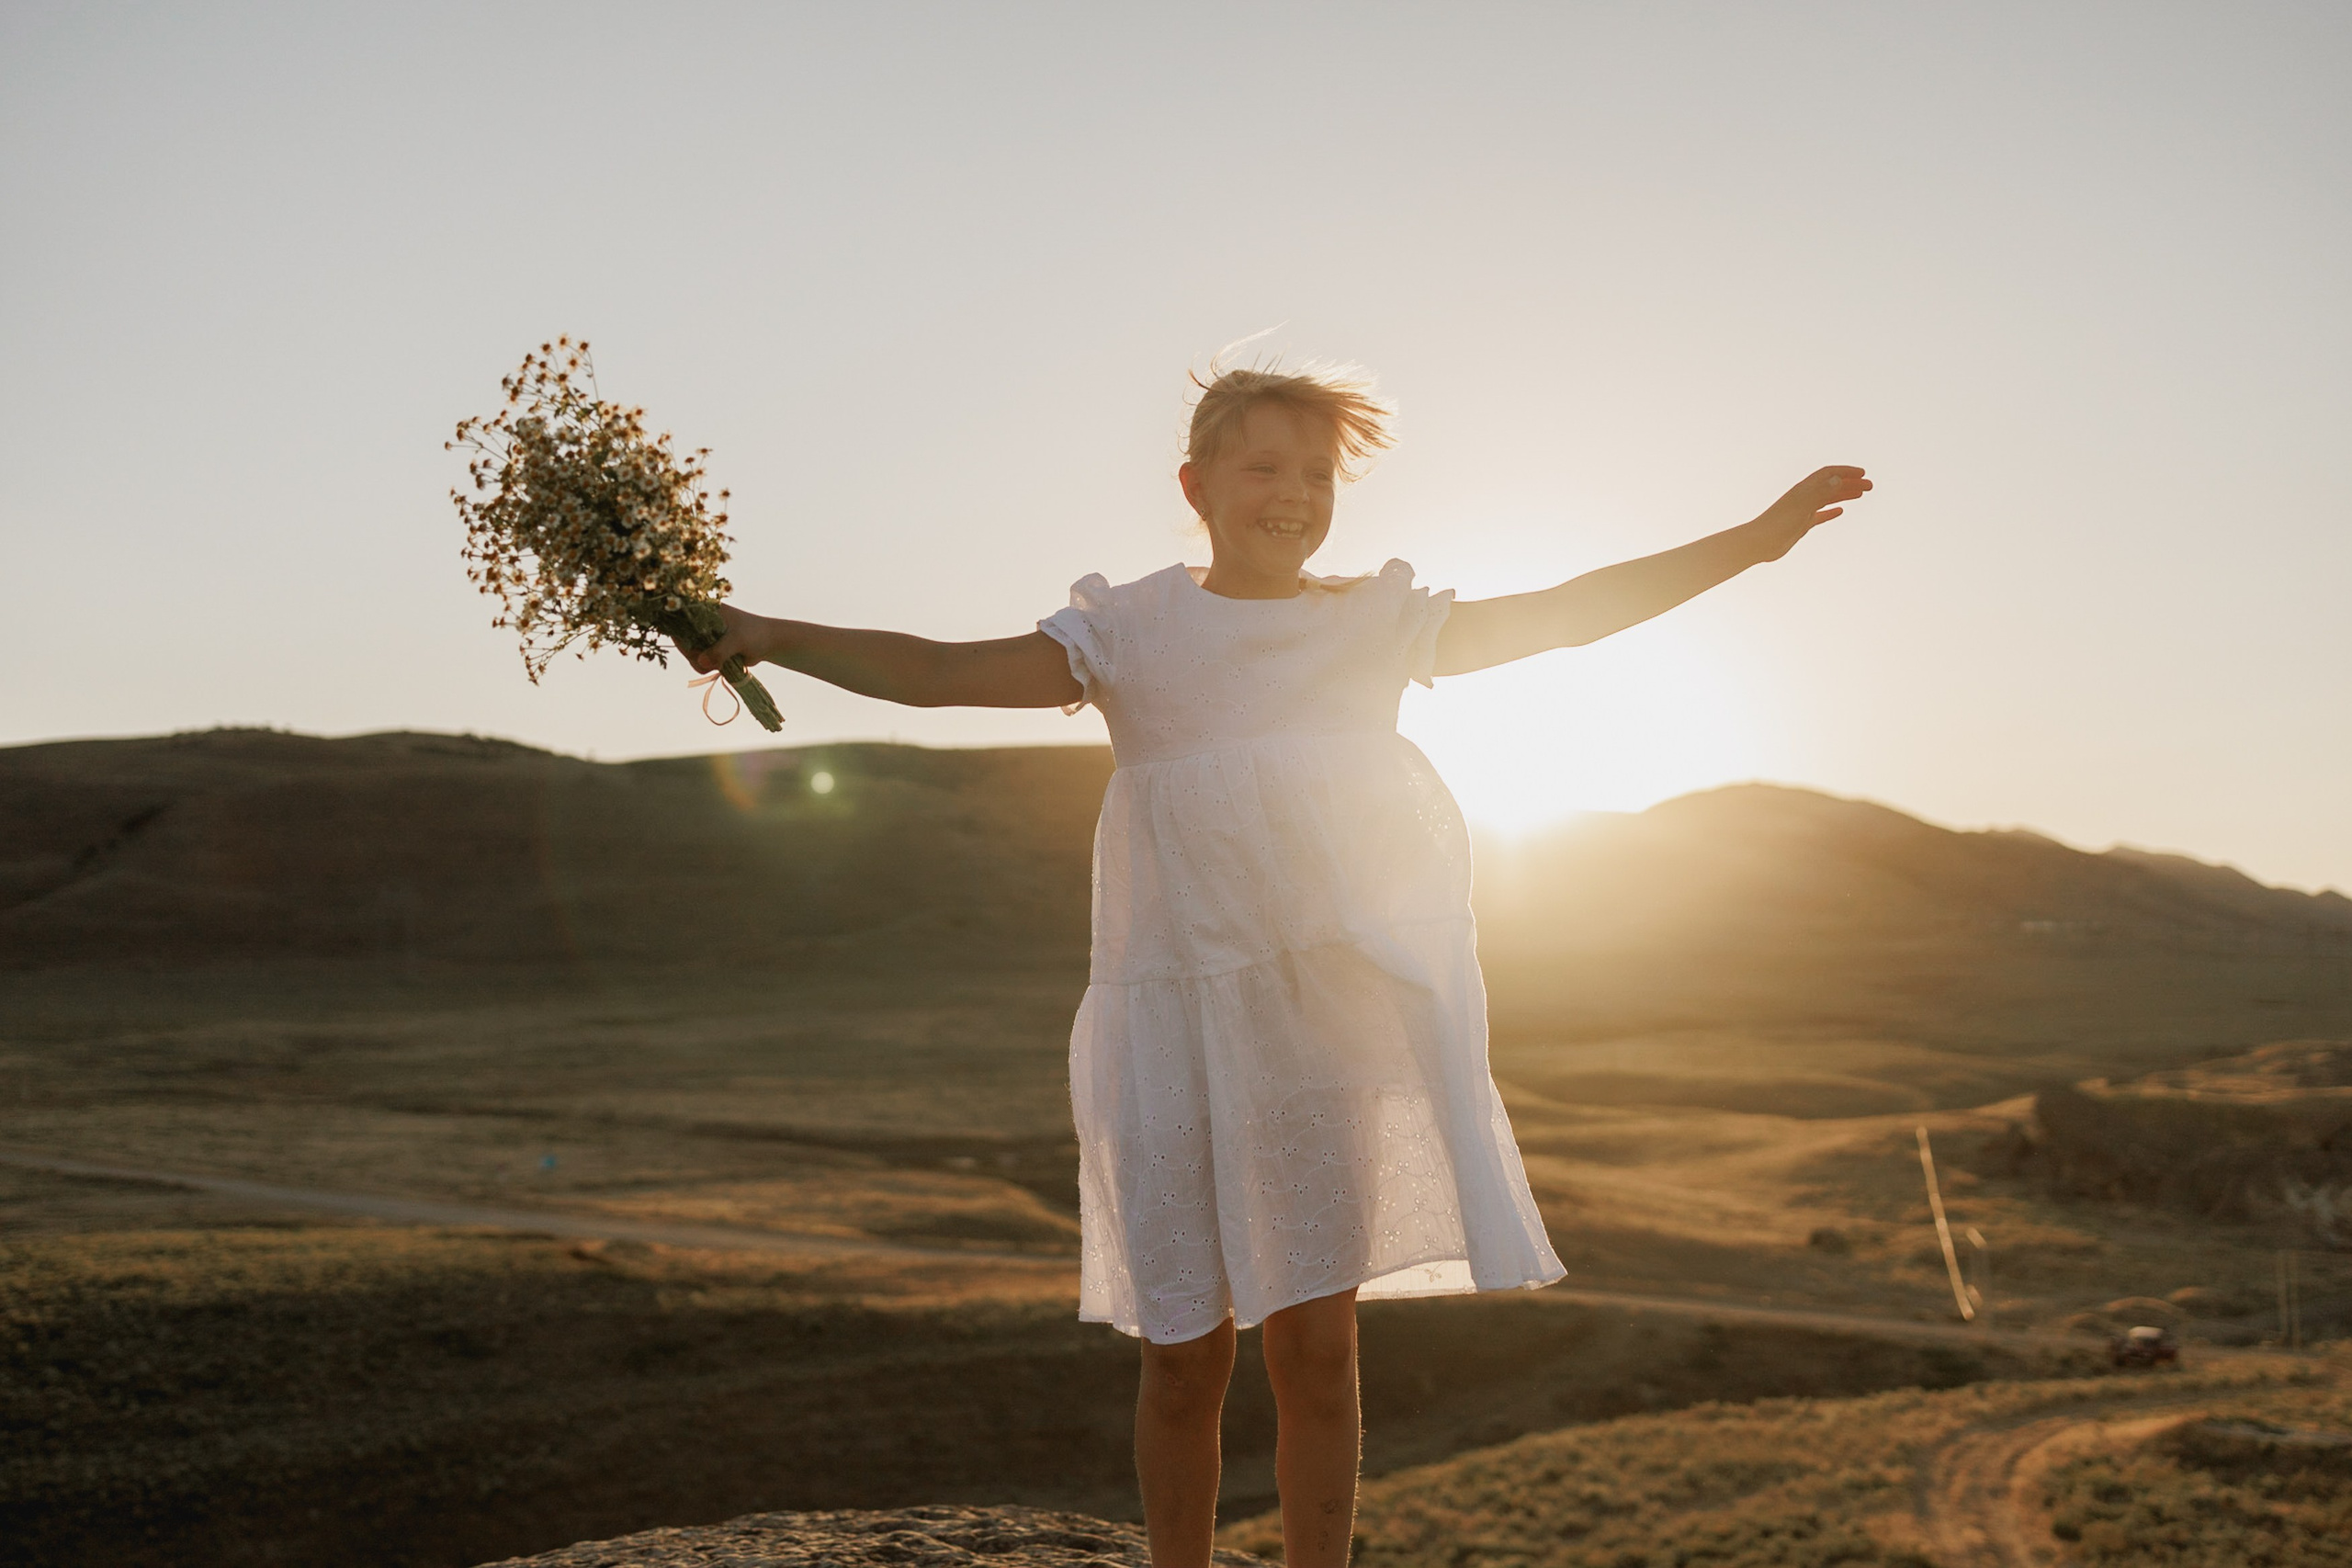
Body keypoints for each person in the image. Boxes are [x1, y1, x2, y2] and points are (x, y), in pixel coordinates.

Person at [678, 364, 1871, 1568]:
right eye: (1263, 467)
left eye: (1317, 472)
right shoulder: (1133, 631)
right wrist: (771, 634)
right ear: (1196, 486)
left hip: (1326, 1024)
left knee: (1317, 1344)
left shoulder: (1372, 622)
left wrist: (1753, 545)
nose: (1292, 492)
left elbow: (1566, 611)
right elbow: (938, 675)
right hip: (1174, 1024)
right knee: (1185, 1351)